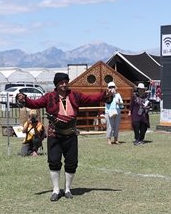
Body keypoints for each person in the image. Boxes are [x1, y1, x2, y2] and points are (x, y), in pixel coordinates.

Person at [16, 72, 111, 201]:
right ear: (56, 84)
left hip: (71, 135)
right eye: (61, 82)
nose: (64, 84)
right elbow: (35, 104)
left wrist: (105, 95)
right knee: (54, 161)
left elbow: (91, 99)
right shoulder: (49, 97)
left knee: (71, 163)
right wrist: (25, 100)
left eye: (66, 82)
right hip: (54, 135)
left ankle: (67, 189)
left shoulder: (75, 95)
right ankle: (56, 190)